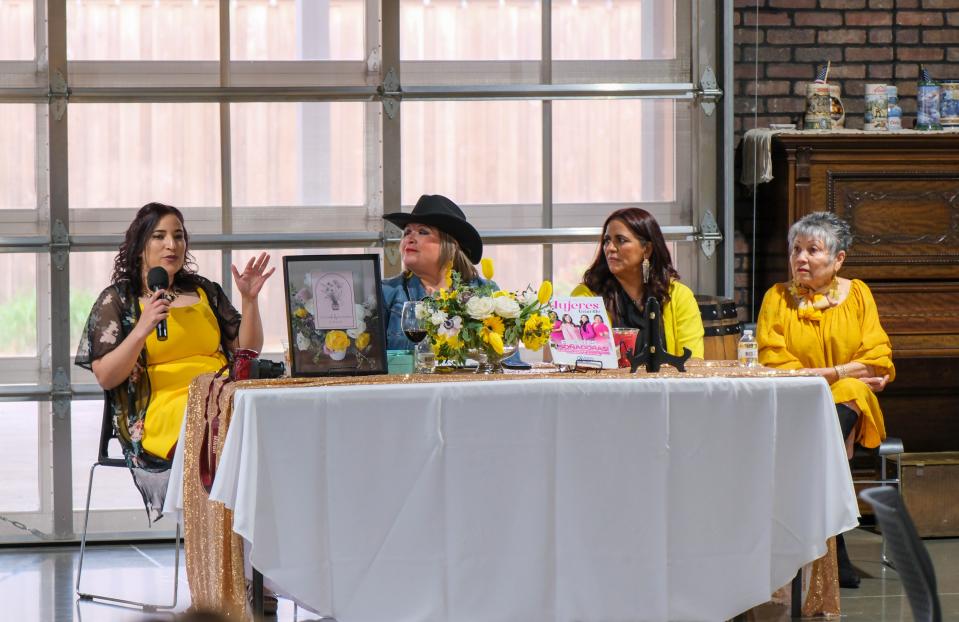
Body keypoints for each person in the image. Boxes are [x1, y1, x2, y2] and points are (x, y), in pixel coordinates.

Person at [75, 202, 273, 519]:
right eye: (160, 236)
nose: (172, 245)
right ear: (140, 247)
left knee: (259, 414)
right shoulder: (119, 300)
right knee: (218, 422)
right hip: (161, 407)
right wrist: (141, 329)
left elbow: (247, 350)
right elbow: (106, 376)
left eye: (179, 236)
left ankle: (257, 536)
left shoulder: (204, 290)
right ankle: (220, 537)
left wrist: (249, 301)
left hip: (220, 394)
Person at [756, 211, 895, 602]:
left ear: (838, 259)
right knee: (829, 424)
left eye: (813, 250)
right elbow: (774, 363)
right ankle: (836, 547)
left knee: (843, 403)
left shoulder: (858, 294)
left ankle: (828, 550)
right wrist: (838, 370)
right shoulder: (777, 298)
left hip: (848, 401)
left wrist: (829, 375)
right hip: (794, 402)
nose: (801, 258)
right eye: (796, 249)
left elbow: (877, 358)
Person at [382, 194, 518, 361]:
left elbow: (509, 363)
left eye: (422, 232)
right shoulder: (386, 293)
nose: (410, 238)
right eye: (407, 232)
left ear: (451, 246)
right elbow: (371, 363)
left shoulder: (486, 293)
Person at [571, 207, 704, 358]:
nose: (610, 248)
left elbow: (692, 361)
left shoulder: (678, 296)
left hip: (667, 382)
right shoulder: (586, 297)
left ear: (646, 249)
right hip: (608, 382)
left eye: (621, 240)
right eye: (607, 241)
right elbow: (583, 362)